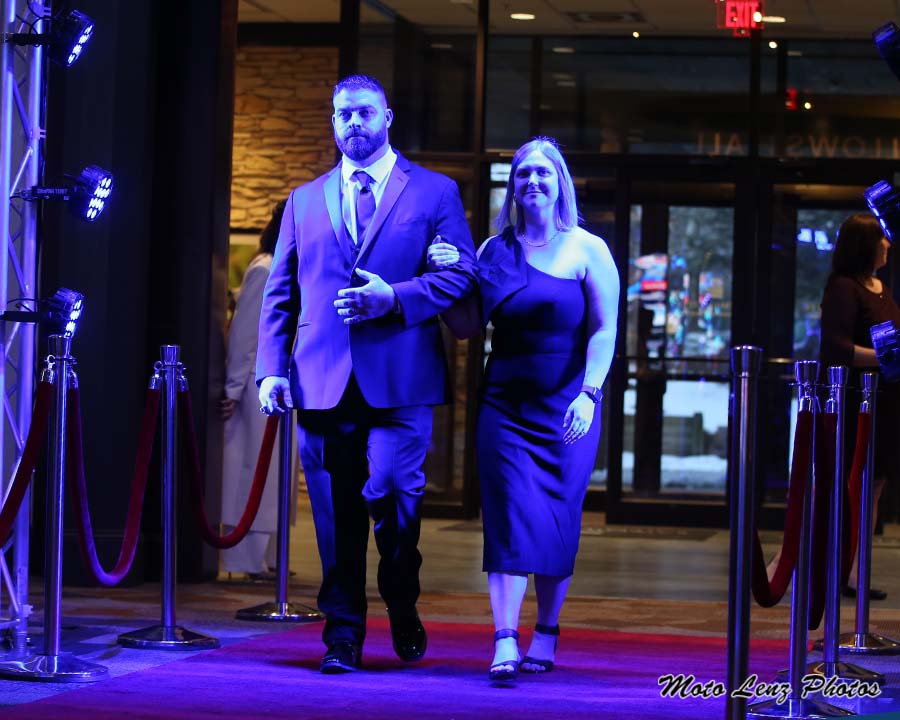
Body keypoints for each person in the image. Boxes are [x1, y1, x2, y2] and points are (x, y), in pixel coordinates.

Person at [256, 74, 477, 674]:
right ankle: (343, 636)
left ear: (387, 117)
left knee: (394, 496)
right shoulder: (304, 200)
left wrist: (396, 297)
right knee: (335, 517)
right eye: (343, 114)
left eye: (365, 113)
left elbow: (461, 276)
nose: (353, 123)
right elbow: (281, 294)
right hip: (321, 379)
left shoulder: (435, 192)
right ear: (333, 122)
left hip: (402, 379)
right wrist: (271, 371)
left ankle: (401, 598)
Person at [428, 137, 619, 680]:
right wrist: (444, 279)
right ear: (512, 186)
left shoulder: (588, 248)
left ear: (560, 182)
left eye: (543, 172)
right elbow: (467, 326)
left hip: (568, 405)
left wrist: (590, 393)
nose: (532, 181)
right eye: (522, 174)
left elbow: (604, 331)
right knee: (508, 516)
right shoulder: (493, 250)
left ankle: (548, 631)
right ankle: (505, 639)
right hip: (504, 406)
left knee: (557, 518)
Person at [819, 212, 900, 601]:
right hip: (855, 401)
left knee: (874, 489)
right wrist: (887, 359)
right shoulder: (843, 287)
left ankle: (853, 572)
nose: (887, 243)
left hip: (885, 400)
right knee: (849, 487)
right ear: (864, 244)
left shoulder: (881, 287)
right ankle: (835, 569)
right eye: (880, 237)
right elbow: (837, 349)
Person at [220, 200, 289, 580]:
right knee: (252, 469)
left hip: (280, 385)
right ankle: (246, 559)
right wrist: (233, 389)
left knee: (274, 474)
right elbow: (246, 334)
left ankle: (271, 556)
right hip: (256, 385)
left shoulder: (285, 267)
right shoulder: (264, 269)